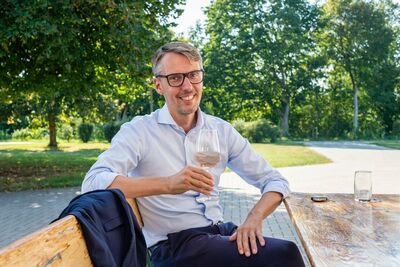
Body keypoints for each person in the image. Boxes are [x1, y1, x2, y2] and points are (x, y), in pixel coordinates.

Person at [82, 42, 305, 267]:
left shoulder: (220, 130)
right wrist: (168, 184)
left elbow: (275, 181)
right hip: (174, 246)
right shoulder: (139, 131)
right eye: (175, 78)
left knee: (278, 250)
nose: (187, 86)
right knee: (285, 254)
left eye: (193, 75)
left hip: (219, 235)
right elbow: (93, 182)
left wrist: (254, 218)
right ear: (158, 85)